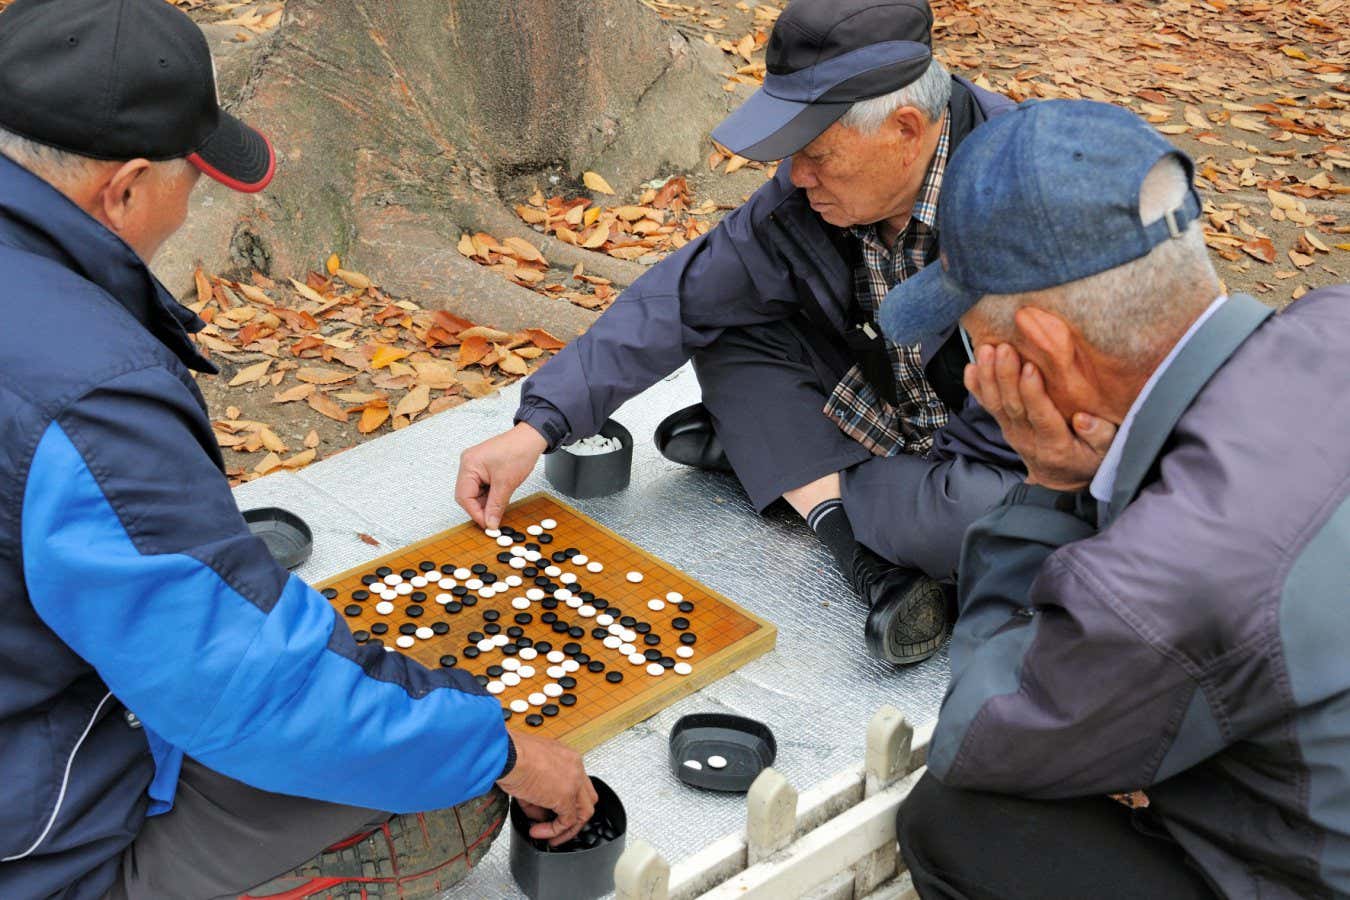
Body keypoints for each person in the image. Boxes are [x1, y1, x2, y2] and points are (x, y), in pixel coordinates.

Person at [0, 2, 594, 898]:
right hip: (34, 834)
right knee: (451, 791)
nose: (191, 203)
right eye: (189, 181)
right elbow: (246, 689)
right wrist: (503, 750)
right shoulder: (89, 397)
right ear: (121, 189)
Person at [456, 0, 1025, 666]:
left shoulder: (1028, 199)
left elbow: (1029, 463)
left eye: (816, 154)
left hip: (1004, 450)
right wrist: (537, 426)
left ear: (904, 129)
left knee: (980, 527)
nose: (797, 174)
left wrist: (816, 468)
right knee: (728, 322)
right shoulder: (810, 190)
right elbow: (685, 296)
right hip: (886, 393)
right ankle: (855, 544)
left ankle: (790, 471)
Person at [882, 98, 1350, 898]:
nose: (970, 368)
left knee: (952, 820)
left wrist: (1051, 488)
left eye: (974, 340)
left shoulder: (1163, 579)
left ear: (1045, 349)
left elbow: (979, 734)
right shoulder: (1332, 318)